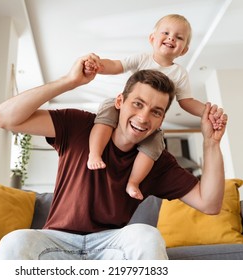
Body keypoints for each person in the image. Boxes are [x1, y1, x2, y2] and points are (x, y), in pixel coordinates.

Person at [0, 54, 228, 260]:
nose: (144, 118)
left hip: (111, 247)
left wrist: (211, 142)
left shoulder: (158, 161)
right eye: (137, 104)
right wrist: (69, 81)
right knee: (14, 242)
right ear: (119, 102)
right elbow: (3, 118)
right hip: (56, 242)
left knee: (146, 236)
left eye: (155, 112)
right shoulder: (80, 125)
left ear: (161, 121)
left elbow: (209, 204)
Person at [84, 14, 224, 200]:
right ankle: (94, 154)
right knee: (104, 117)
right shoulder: (143, 58)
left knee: (154, 145)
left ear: (184, 50)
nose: (171, 38)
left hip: (151, 122)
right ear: (152, 39)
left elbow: (186, 101)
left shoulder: (179, 73)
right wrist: (99, 65)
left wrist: (208, 112)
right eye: (166, 32)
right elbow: (117, 65)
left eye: (179, 37)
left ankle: (133, 182)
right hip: (125, 110)